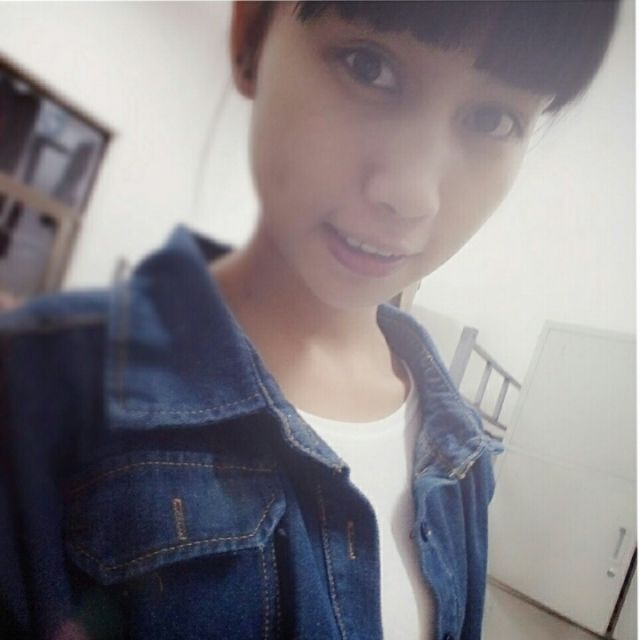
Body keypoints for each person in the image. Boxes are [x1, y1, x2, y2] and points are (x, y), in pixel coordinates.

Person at [0, 2, 619, 639]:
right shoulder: (42, 392)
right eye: (368, 66)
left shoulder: (460, 456)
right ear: (251, 38)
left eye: (492, 119)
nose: (411, 194)